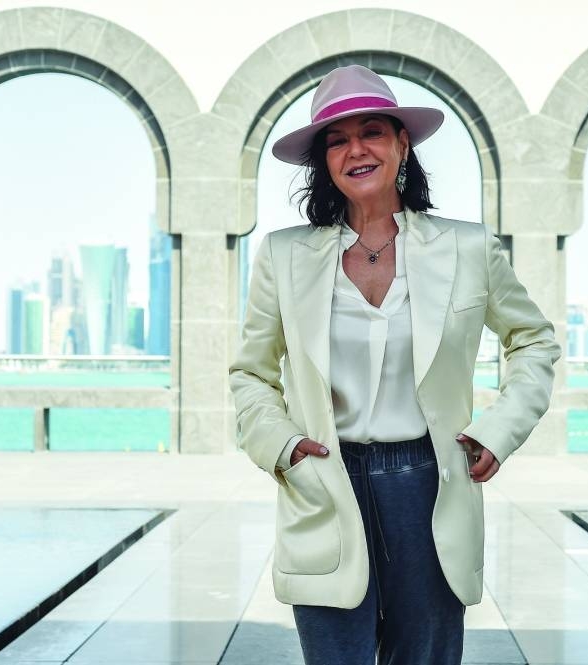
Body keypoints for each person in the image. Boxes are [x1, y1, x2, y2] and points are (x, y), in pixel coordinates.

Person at [228, 64, 561, 665]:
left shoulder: (468, 247)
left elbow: (533, 340)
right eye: (337, 139)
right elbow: (251, 371)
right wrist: (282, 446)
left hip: (429, 483)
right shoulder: (283, 256)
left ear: (402, 143)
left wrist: (498, 430)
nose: (355, 149)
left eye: (372, 131)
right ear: (323, 160)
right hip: (326, 479)